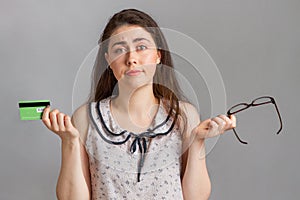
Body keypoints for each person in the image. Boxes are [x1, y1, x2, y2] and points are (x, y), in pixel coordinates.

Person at [42, 8, 236, 200]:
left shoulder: (183, 114)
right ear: (109, 61)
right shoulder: (86, 118)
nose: (131, 59)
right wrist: (69, 142)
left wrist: (197, 141)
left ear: (158, 55)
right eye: (119, 50)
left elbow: (196, 197)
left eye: (141, 47)